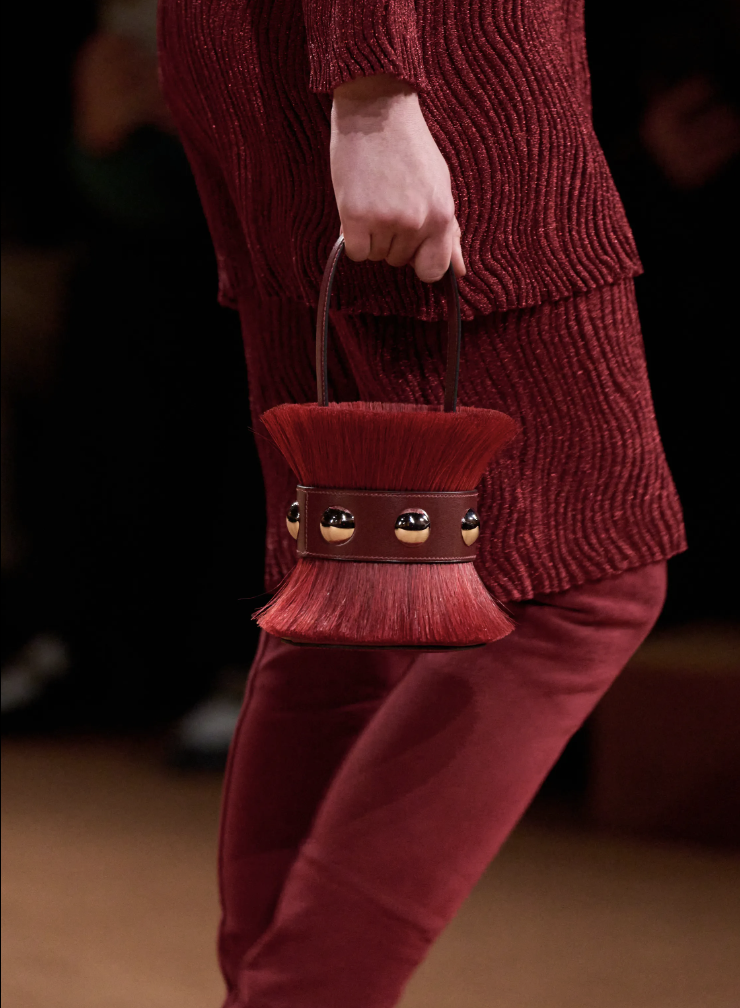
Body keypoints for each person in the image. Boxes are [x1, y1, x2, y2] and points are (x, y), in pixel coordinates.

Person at [158, 1, 686, 1005]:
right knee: (581, 585)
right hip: (432, 59)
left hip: (283, 57)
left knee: (353, 587)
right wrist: (373, 96)